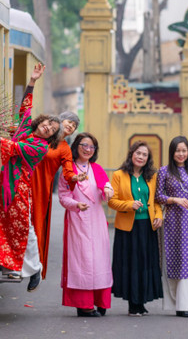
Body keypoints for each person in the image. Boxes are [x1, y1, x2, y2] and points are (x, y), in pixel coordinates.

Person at [0, 63, 62, 282]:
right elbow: (25, 107)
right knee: (2, 221)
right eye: (48, 124)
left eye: (52, 131)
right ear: (42, 121)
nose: (48, 128)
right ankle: (13, 266)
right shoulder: (27, 128)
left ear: (51, 137)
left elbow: (17, 148)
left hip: (18, 187)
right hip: (5, 183)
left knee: (21, 226)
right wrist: (33, 81)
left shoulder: (40, 147)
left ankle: (29, 267)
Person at [57, 132, 113, 317]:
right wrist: (75, 205)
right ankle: (84, 305)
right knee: (82, 262)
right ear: (76, 147)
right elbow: (63, 197)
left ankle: (100, 301)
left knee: (99, 260)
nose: (88, 150)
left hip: (97, 220)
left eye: (92, 147)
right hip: (78, 219)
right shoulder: (68, 170)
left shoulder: (96, 169)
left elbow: (106, 188)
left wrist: (108, 190)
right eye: (84, 145)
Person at [27, 110, 81, 289]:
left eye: (73, 126)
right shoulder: (42, 136)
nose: (70, 126)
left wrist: (73, 178)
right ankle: (13, 264)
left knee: (36, 227)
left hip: (41, 188)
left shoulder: (64, 148)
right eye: (69, 122)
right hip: (24, 180)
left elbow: (68, 169)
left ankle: (35, 267)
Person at [110, 140, 163, 317]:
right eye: (138, 153)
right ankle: (133, 303)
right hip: (127, 228)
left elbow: (155, 201)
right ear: (131, 154)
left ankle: (141, 301)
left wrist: (158, 216)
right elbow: (112, 201)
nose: (140, 157)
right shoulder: (119, 174)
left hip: (147, 227)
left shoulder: (152, 176)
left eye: (144, 155)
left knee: (145, 264)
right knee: (130, 264)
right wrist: (129, 204)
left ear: (148, 159)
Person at [155, 135, 188, 317]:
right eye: (177, 151)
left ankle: (187, 304)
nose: (181, 154)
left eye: (184, 150)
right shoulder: (164, 171)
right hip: (172, 221)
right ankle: (176, 302)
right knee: (173, 259)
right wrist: (173, 199)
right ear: (171, 152)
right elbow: (158, 196)